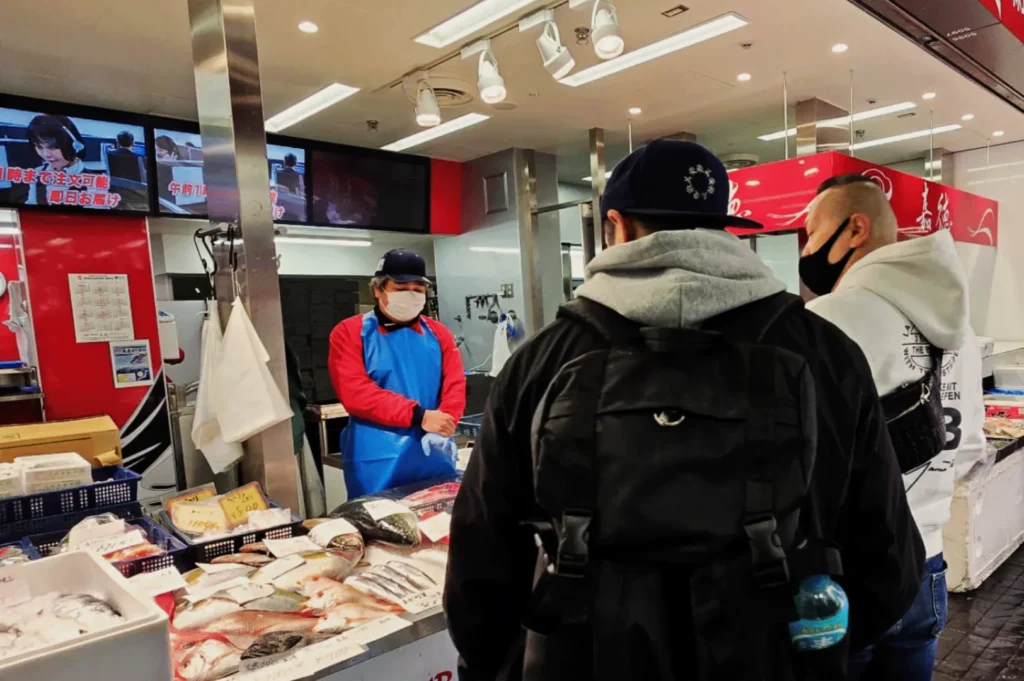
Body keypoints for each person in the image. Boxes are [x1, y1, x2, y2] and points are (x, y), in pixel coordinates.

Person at [445, 140, 924, 681]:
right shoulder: (826, 353)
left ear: (616, 227)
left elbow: (480, 564)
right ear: (723, 228)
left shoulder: (543, 360)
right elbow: (888, 562)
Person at [801, 174, 985, 681]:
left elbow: (805, 463)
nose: (808, 247)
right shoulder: (961, 330)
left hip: (852, 571)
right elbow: (968, 445)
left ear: (855, 229)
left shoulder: (824, 322)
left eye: (812, 231)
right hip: (927, 566)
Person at [328, 248, 465, 498]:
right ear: (378, 289)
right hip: (377, 458)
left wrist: (446, 422)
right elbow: (357, 393)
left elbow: (454, 385)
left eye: (418, 289)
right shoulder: (349, 332)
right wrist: (419, 416)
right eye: (401, 289)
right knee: (382, 526)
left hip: (434, 453)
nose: (410, 295)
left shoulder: (439, 333)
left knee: (435, 524)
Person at [15, 114, 90, 205]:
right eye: (39, 147)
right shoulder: (37, 174)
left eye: (53, 147)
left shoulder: (93, 181)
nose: (46, 155)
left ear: (75, 145)